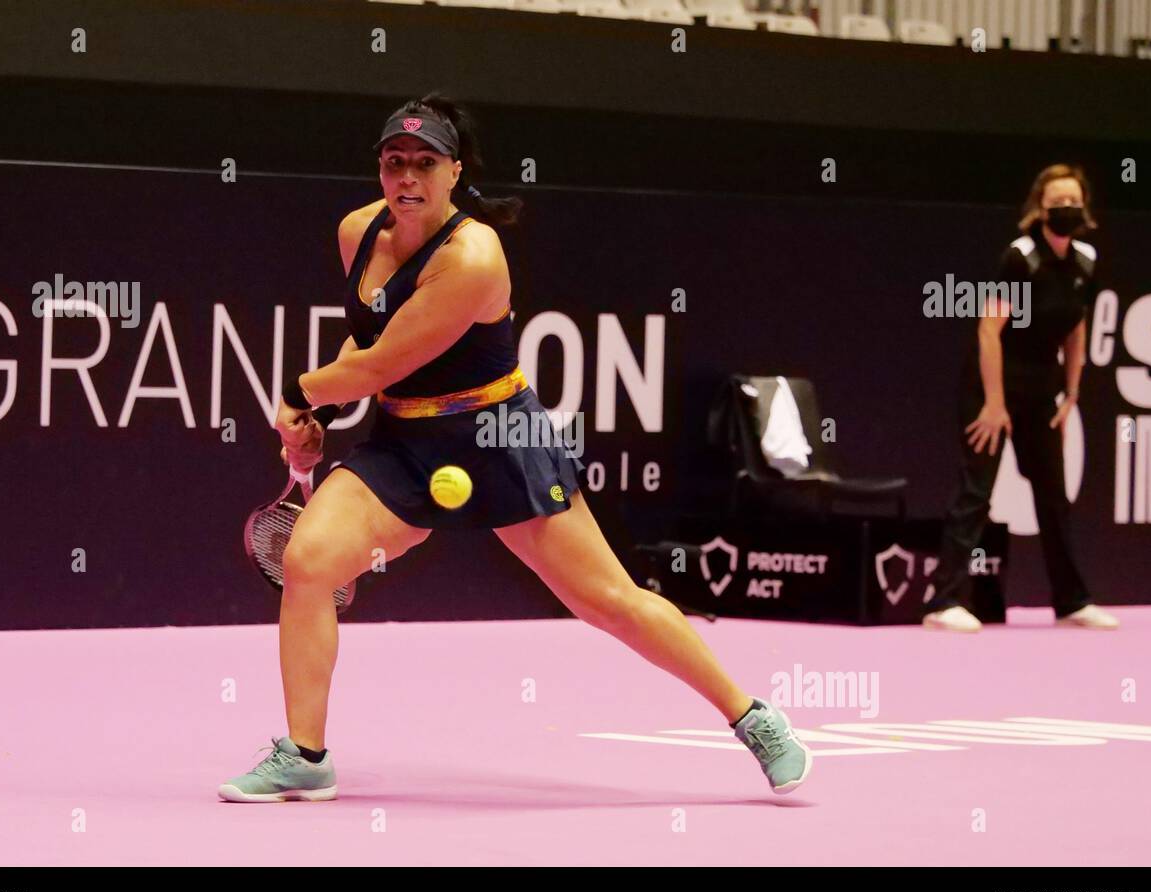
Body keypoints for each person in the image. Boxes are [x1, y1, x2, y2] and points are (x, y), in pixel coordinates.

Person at [218, 93, 812, 801]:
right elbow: (370, 345)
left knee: (609, 601)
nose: (407, 177)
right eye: (393, 162)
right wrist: (323, 406)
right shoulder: (356, 233)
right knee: (308, 561)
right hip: (407, 442)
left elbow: (380, 365)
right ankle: (305, 755)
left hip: (499, 439)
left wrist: (300, 393)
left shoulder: (472, 255)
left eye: (425, 164)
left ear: (453, 171)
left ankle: (753, 718)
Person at [923, 164, 1119, 634]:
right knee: (977, 492)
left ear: (1085, 208)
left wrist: (1072, 392)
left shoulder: (1086, 262)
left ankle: (1072, 601)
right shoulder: (1019, 258)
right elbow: (989, 328)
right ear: (1040, 208)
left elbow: (1075, 329)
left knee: (1053, 496)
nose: (1066, 210)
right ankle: (943, 601)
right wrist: (994, 403)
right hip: (991, 386)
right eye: (1057, 203)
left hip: (1041, 391)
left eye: (1074, 202)